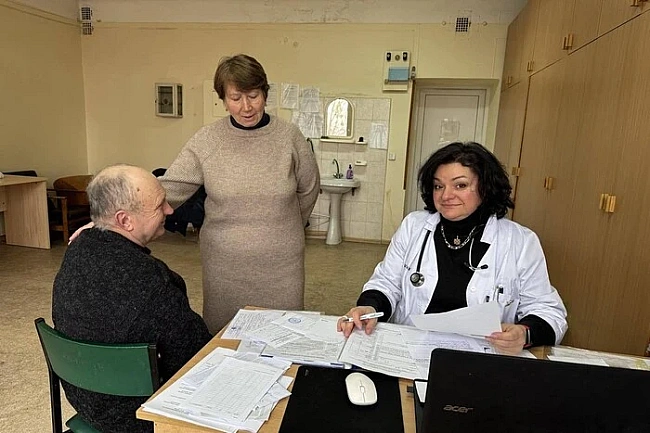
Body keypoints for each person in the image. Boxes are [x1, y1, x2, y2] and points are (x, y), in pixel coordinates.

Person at [337, 142, 567, 355]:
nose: (446, 195)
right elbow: (386, 283)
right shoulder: (413, 226)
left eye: (460, 185)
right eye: (438, 186)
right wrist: (369, 307)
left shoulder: (520, 241)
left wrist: (525, 334)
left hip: (480, 358)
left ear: (485, 187)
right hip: (411, 349)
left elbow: (548, 311)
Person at [157, 54, 320, 333]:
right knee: (226, 339)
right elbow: (169, 188)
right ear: (223, 99)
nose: (246, 107)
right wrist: (111, 222)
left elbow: (309, 188)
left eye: (253, 96)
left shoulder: (289, 137)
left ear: (265, 93)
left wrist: (284, 226)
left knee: (282, 336)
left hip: (281, 267)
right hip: (225, 269)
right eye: (235, 98)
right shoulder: (208, 139)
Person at [52, 164, 212, 433]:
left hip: (85, 400)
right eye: (160, 205)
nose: (170, 210)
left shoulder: (78, 249)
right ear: (125, 221)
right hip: (139, 415)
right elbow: (198, 359)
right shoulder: (151, 282)